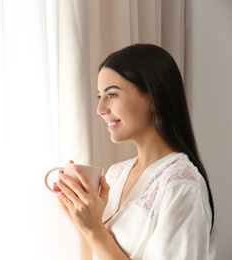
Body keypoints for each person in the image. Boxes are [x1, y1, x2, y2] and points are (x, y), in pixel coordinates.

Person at [54, 44, 215, 259]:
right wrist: (81, 221)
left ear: (155, 97)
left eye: (112, 95)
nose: (100, 109)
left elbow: (98, 237)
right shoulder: (114, 174)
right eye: (99, 96)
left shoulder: (181, 185)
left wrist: (94, 230)